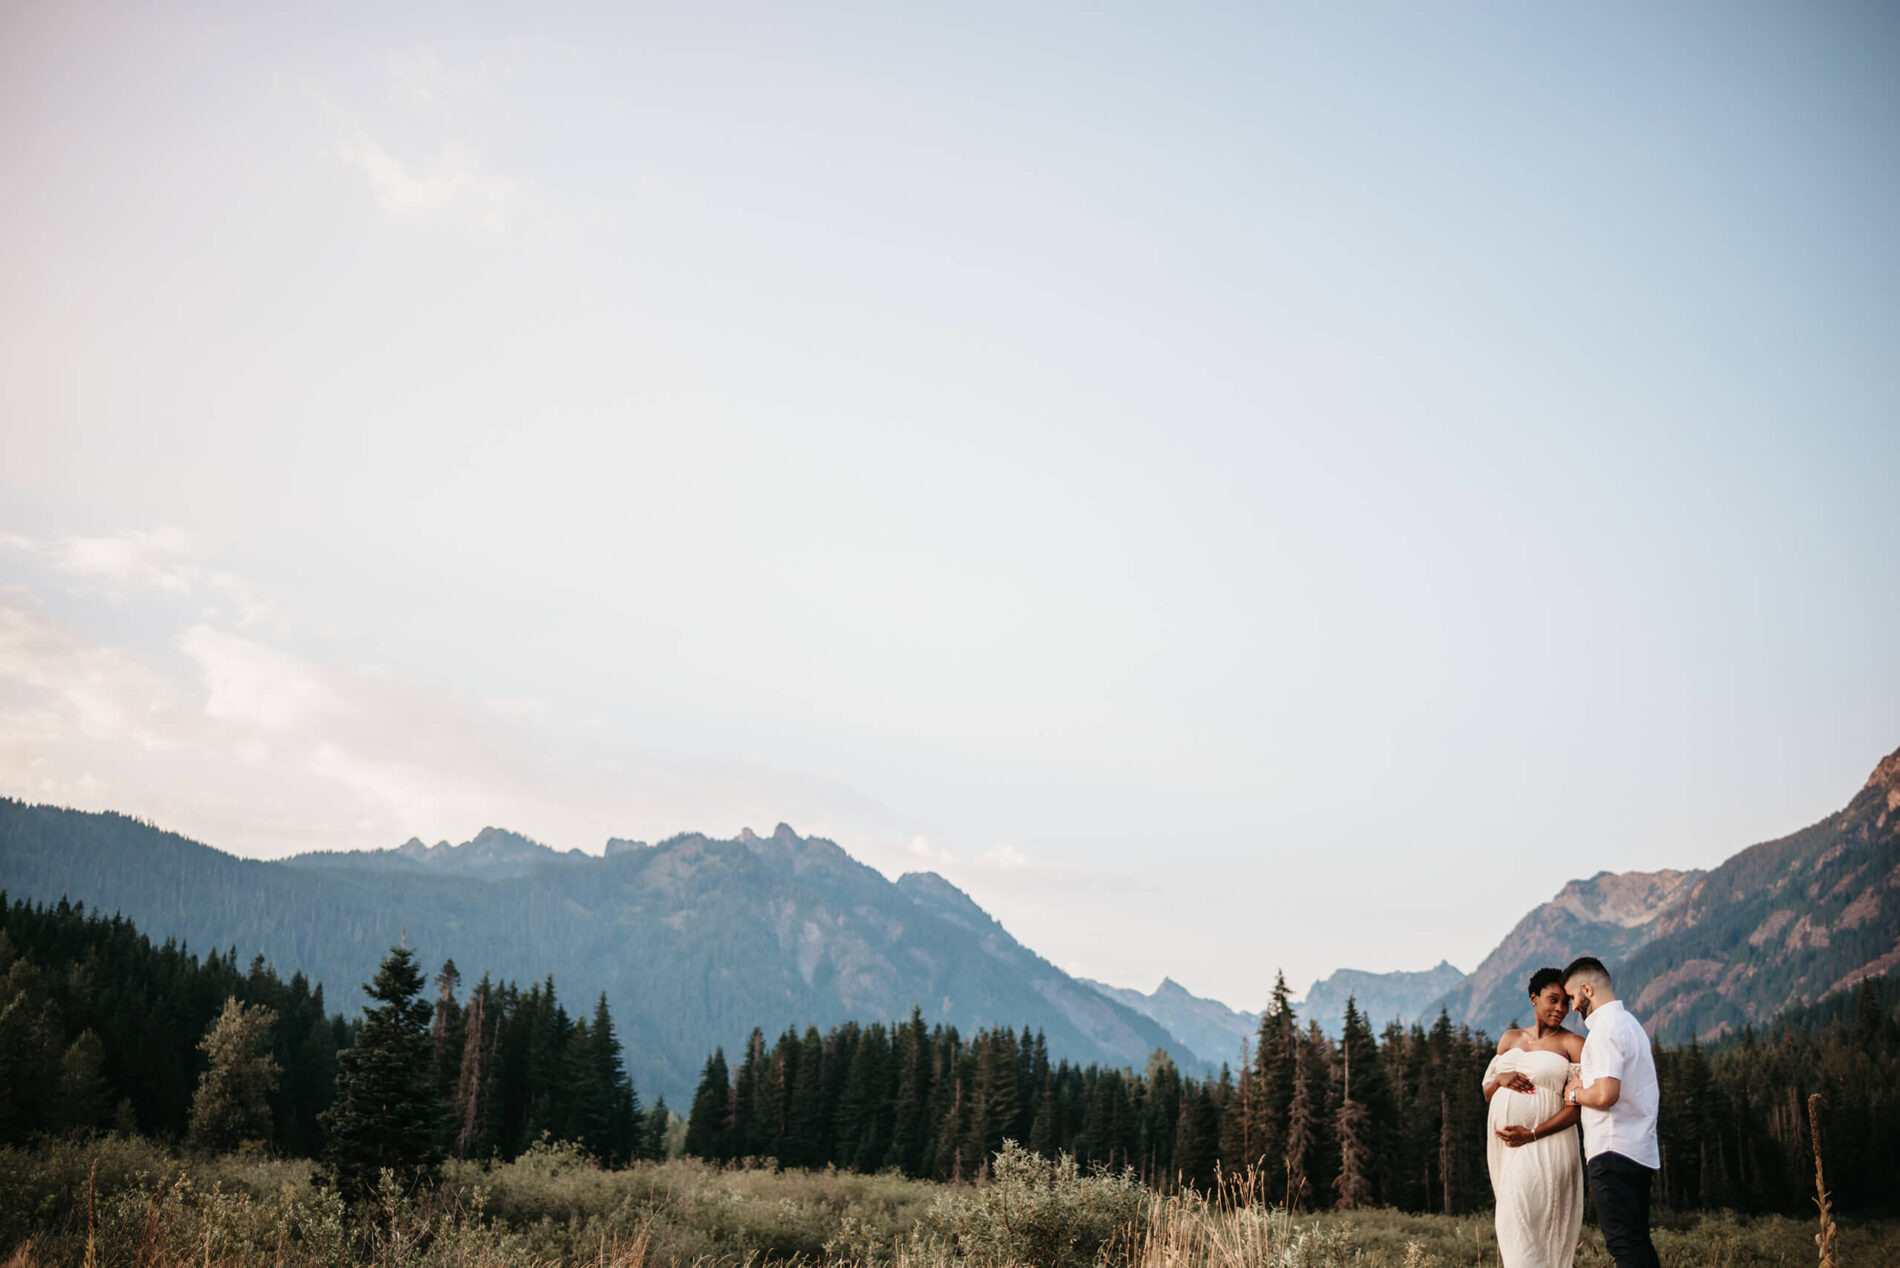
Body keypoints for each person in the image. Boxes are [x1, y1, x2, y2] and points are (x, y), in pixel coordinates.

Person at [1562, 955, 1661, 1268]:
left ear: (1587, 990)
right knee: (1637, 1242)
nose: (1571, 1007)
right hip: (1638, 1150)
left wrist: (1575, 1093)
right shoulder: (1630, 1025)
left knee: (1624, 1245)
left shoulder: (1604, 1030)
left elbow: (1606, 1094)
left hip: (1612, 1150)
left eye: (1572, 997)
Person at [1481, 967, 1584, 1267]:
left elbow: (1575, 1108)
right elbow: (1487, 1091)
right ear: (1533, 998)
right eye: (1553, 1000)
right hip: (1507, 1148)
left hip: (1546, 1144)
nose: (1561, 1009)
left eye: (1565, 1002)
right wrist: (1502, 1079)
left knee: (1528, 1224)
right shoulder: (1510, 1039)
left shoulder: (1572, 1044)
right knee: (1511, 1223)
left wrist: (1533, 1133)